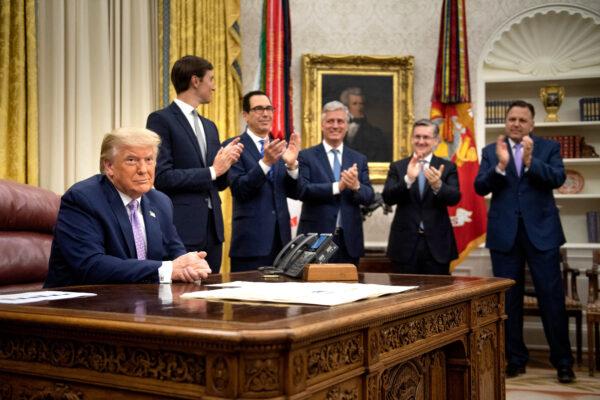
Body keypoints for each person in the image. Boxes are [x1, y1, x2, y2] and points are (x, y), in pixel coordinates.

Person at [474, 100, 575, 383]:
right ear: (505, 122)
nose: (516, 123)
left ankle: (563, 362)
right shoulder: (491, 152)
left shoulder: (548, 148)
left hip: (542, 235)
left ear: (532, 124)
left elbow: (558, 178)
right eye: (512, 119)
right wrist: (501, 167)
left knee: (551, 300)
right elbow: (480, 187)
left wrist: (531, 162)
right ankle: (515, 359)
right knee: (508, 301)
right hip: (505, 235)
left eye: (522, 119)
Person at [45, 128, 212, 288]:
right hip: (79, 305)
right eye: (132, 160)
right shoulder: (83, 199)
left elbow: (175, 253)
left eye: (149, 160)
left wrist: (191, 265)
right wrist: (166, 269)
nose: (143, 170)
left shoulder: (160, 202)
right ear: (109, 166)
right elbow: (91, 265)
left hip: (141, 302)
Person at [146, 55, 244, 272]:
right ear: (195, 81)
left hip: (213, 230)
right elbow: (162, 177)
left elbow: (218, 183)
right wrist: (212, 170)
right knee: (183, 300)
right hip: (182, 227)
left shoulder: (210, 126)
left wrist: (227, 164)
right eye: (211, 79)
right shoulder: (161, 119)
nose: (215, 86)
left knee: (213, 299)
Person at [226, 90, 300, 272]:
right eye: (258, 109)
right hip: (250, 244)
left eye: (269, 108)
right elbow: (239, 189)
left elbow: (296, 192)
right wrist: (265, 163)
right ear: (245, 115)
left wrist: (292, 166)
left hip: (282, 243)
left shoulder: (281, 146)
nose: (265, 113)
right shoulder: (234, 146)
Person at [297, 101, 374, 266]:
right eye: (330, 121)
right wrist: (337, 187)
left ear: (347, 126)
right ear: (322, 125)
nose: (335, 125)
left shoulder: (358, 159)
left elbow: (369, 197)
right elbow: (303, 190)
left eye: (340, 121)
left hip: (348, 242)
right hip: (315, 240)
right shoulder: (306, 156)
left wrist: (356, 186)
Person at [382, 119, 461, 275]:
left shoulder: (447, 167)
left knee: (437, 297)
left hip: (437, 246)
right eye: (417, 137)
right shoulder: (398, 167)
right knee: (405, 298)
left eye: (426, 137)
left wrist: (438, 185)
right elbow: (388, 198)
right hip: (404, 246)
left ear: (436, 141)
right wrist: (408, 180)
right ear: (412, 139)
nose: (421, 141)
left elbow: (455, 198)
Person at [339, 87, 392, 162]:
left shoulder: (375, 133)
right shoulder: (337, 128)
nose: (359, 107)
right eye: (355, 104)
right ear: (346, 107)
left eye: (361, 104)